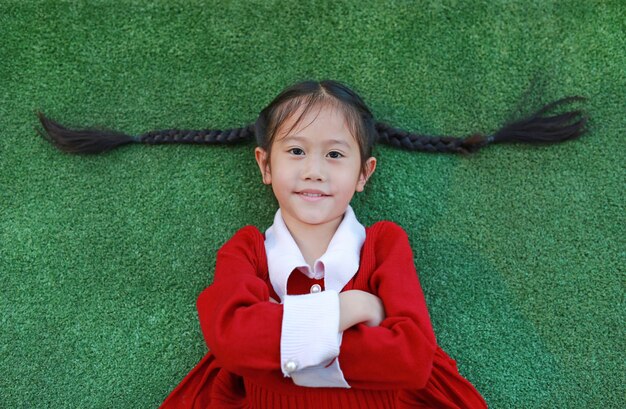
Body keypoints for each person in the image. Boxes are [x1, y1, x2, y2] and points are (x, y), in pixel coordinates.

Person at [38, 80, 586, 408]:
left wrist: (275, 352)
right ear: (265, 165)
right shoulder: (247, 250)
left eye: (335, 154)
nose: (315, 172)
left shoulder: (386, 245)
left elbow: (412, 362)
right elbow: (230, 341)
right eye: (296, 152)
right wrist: (349, 310)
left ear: (364, 173)